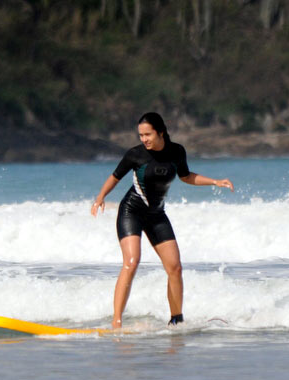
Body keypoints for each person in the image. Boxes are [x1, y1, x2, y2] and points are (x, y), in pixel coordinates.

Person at [90, 112, 233, 328]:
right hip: (131, 212)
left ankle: (176, 320)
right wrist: (100, 198)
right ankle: (116, 322)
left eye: (148, 134)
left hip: (156, 214)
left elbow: (186, 176)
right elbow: (115, 177)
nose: (144, 139)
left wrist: (215, 181)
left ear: (161, 132)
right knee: (131, 262)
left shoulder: (177, 152)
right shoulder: (135, 154)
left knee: (175, 267)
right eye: (141, 135)